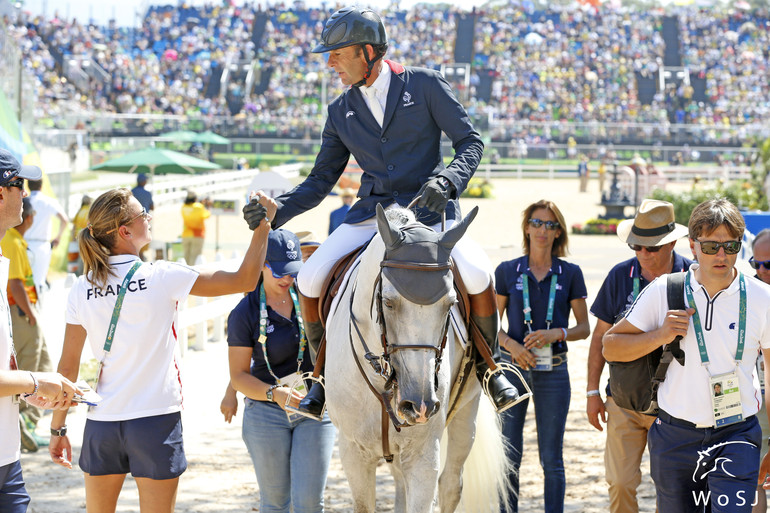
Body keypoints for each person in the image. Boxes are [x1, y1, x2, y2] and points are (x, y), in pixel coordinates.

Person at [271, 6, 518, 419]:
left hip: (430, 209)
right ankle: (320, 379)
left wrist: (448, 182)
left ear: (368, 51)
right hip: (374, 213)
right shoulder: (340, 110)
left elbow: (470, 143)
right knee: (311, 279)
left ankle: (489, 367)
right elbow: (320, 181)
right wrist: (275, 211)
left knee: (477, 272)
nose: (329, 62)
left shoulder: (424, 84)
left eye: (337, 53)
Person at [47, 187, 274, 513]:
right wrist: (262, 227)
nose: (149, 216)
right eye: (144, 213)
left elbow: (67, 369)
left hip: (101, 421)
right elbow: (245, 280)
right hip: (154, 420)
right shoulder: (162, 275)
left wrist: (58, 429)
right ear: (125, 231)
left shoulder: (83, 287)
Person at [604, 198, 770, 513]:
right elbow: (611, 345)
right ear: (693, 246)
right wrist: (660, 335)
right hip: (674, 437)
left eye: (730, 246)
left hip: (737, 434)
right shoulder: (664, 291)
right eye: (711, 247)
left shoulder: (763, 298)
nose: (721, 255)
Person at [585, 198, 692, 513]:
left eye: (652, 247)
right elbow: (599, 338)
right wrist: (592, 391)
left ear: (672, 242)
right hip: (624, 400)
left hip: (675, 406)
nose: (643, 253)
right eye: (636, 246)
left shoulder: (692, 277)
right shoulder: (620, 275)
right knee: (619, 483)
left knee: (670, 490)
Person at [228, 229, 336, 512]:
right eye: (279, 273)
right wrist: (274, 394)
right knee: (275, 503)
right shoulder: (245, 312)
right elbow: (238, 375)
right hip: (266, 414)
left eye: (293, 271)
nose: (288, 279)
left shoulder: (313, 298)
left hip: (314, 408)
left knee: (310, 503)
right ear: (261, 265)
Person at [495, 199, 590, 513]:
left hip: (554, 371)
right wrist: (513, 346)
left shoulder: (571, 273)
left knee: (552, 459)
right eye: (536, 223)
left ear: (558, 232)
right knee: (509, 454)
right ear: (526, 227)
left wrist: (557, 333)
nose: (542, 230)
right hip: (513, 370)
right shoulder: (508, 270)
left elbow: (584, 327)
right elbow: (491, 328)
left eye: (550, 225)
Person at [0, 148, 80, 512]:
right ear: (1, 192)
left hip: (7, 455)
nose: (27, 194)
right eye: (20, 185)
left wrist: (26, 390)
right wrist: (35, 383)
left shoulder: (4, 258)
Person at [1, 198, 54, 449]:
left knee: (43, 363)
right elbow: (15, 283)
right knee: (30, 364)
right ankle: (23, 422)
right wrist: (30, 313)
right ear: (31, 218)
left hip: (22, 310)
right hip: (20, 312)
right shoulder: (10, 240)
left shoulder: (14, 240)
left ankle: (29, 423)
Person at [751, 229, 770, 513]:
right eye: (757, 264)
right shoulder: (748, 293)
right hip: (757, 398)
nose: (763, 270)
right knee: (755, 477)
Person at [25, 179, 69, 297]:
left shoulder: (25, 201)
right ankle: (36, 311)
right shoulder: (48, 201)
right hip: (41, 245)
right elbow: (64, 220)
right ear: (41, 186)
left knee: (24, 281)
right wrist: (58, 237)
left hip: (24, 244)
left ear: (28, 186)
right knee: (39, 281)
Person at [181, 190, 211, 265]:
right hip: (197, 234)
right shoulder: (199, 207)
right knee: (194, 259)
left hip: (186, 234)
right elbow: (207, 215)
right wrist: (207, 206)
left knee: (186, 258)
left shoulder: (183, 207)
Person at [67, 195, 92, 276]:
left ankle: (80, 272)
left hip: (78, 236)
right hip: (87, 235)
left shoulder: (79, 211)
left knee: (81, 255)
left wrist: (73, 238)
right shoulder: (90, 211)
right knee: (86, 255)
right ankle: (85, 272)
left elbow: (74, 226)